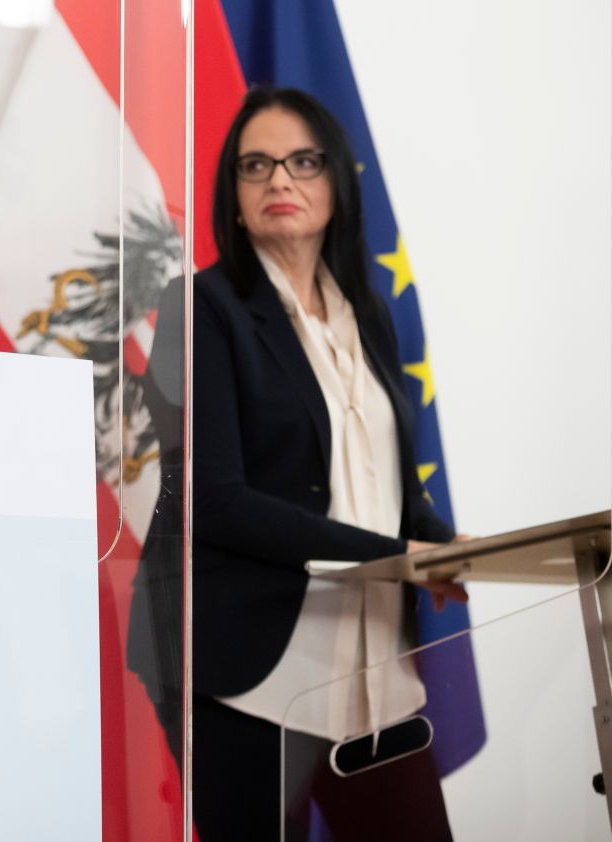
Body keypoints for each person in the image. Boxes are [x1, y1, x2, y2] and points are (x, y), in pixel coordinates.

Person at [129, 86, 465, 842]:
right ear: (235, 193)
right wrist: (395, 555)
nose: (279, 179)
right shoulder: (200, 307)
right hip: (247, 669)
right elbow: (214, 500)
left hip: (375, 666)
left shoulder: (369, 314)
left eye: (302, 162)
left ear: (336, 180)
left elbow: (387, 488)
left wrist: (446, 546)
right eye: (256, 165)